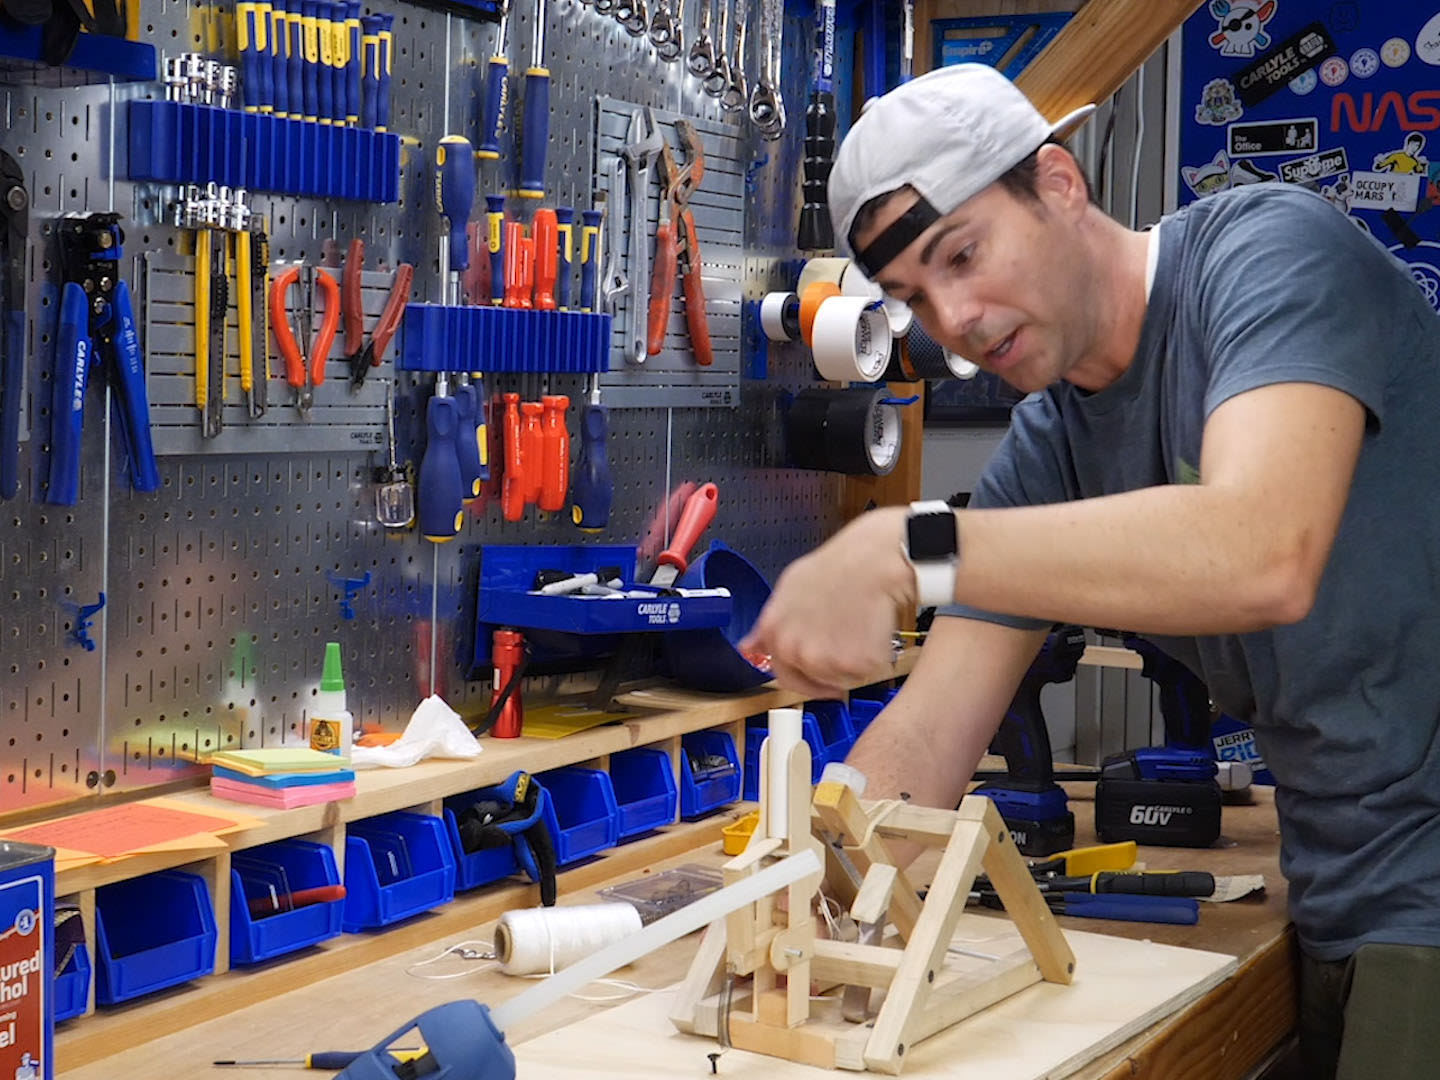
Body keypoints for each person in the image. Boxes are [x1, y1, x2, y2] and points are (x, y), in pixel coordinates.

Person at [740, 63, 1440, 1079]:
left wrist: (906, 546)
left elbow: (1261, 550)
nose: (957, 321)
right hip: (1342, 896)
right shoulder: (1050, 451)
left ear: (1060, 186)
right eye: (914, 298)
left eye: (963, 254)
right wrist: (814, 870)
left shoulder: (1270, 256)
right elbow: (936, 734)